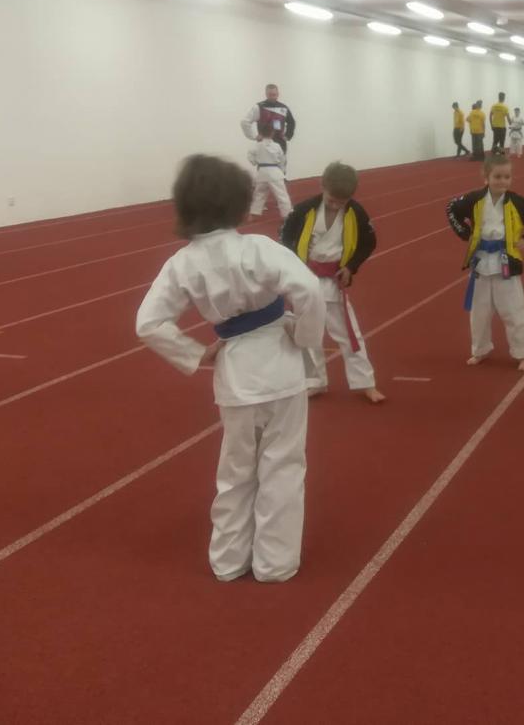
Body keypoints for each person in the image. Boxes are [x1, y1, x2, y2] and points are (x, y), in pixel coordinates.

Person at [136, 154, 325, 582]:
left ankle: (227, 560)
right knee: (283, 465)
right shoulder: (258, 247)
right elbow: (309, 289)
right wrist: (306, 337)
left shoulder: (182, 263)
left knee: (236, 471)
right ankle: (274, 563)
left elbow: (148, 323)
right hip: (281, 368)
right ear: (239, 202)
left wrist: (192, 353)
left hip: (235, 375)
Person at [280, 162, 384, 404]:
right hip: (305, 280)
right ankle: (314, 381)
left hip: (333, 281)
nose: (336, 205)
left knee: (349, 334)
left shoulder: (356, 212)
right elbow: (285, 236)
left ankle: (365, 383)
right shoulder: (304, 210)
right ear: (322, 186)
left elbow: (369, 242)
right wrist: (292, 267)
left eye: (342, 201)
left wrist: (351, 266)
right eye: (331, 200)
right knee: (306, 333)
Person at [446, 155, 524, 371]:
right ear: (486, 177)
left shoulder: (518, 202)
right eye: (497, 176)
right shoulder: (475, 199)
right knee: (479, 313)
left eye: (507, 177)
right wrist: (464, 233)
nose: (502, 181)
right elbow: (451, 208)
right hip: (480, 262)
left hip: (506, 262)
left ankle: (523, 353)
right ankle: (480, 349)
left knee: (513, 310)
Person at [247, 121, 292, 218]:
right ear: (272, 133)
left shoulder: (257, 145)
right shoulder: (276, 146)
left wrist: (255, 162)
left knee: (259, 194)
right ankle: (287, 215)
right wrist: (282, 171)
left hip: (262, 172)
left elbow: (250, 155)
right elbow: (282, 159)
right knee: (282, 195)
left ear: (261, 133)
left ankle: (253, 213)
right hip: (274, 172)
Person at [241, 83, 296, 155]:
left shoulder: (283, 108)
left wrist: (288, 136)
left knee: (281, 162)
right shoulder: (259, 107)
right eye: (270, 95)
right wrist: (254, 136)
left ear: (278, 94)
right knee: (263, 162)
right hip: (263, 144)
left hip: (280, 144)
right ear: (266, 94)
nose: (272, 97)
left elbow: (291, 122)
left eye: (274, 94)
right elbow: (244, 122)